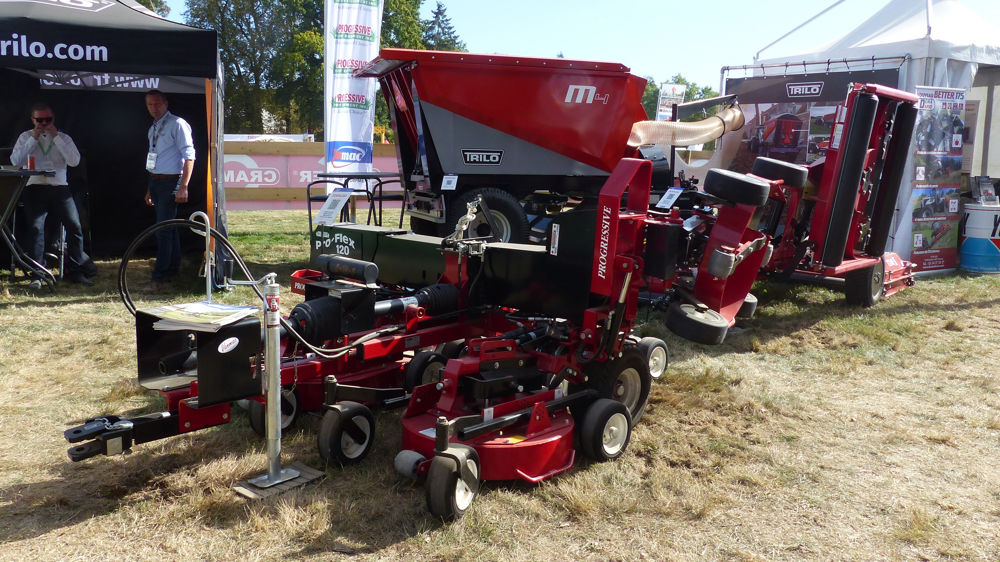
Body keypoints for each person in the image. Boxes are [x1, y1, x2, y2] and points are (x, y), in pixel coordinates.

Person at [10, 102, 98, 288]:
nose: (43, 123)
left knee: (75, 227)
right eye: (39, 120)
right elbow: (15, 161)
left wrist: (56, 136)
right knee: (35, 229)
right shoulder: (25, 136)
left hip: (59, 188)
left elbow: (74, 161)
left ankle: (76, 271)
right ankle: (37, 274)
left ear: (53, 119)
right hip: (34, 187)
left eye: (47, 119)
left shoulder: (64, 137)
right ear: (32, 120)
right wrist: (33, 139)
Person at [143, 89, 195, 292]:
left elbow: (189, 156)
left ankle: (159, 278)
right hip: (156, 181)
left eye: (157, 104)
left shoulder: (177, 124)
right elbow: (153, 157)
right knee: (168, 229)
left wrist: (183, 186)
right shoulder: (153, 127)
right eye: (149, 105)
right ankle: (172, 269)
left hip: (171, 181)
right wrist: (149, 188)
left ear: (166, 103)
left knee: (163, 230)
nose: (153, 108)